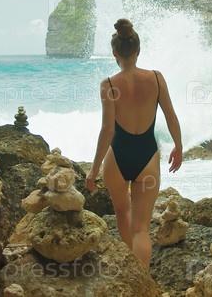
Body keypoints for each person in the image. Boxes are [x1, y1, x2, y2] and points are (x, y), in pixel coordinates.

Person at [85, 18, 183, 270]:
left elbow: (107, 130)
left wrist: (94, 169)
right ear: (138, 50)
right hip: (147, 157)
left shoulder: (108, 84)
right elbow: (171, 117)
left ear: (114, 52)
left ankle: (132, 270)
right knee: (141, 229)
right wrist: (178, 147)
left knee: (122, 211)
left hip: (117, 158)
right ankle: (143, 279)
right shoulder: (157, 78)